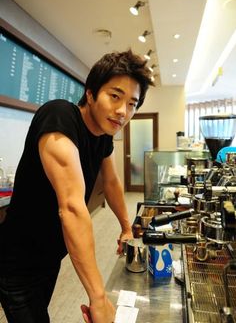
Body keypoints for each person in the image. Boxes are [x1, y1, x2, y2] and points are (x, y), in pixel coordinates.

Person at [0, 49, 152, 323]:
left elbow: (112, 181)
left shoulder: (104, 136)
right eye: (115, 96)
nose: (122, 111)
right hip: (17, 263)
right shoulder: (59, 117)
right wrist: (98, 297)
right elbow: (71, 207)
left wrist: (126, 226)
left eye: (132, 103)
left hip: (49, 256)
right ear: (91, 93)